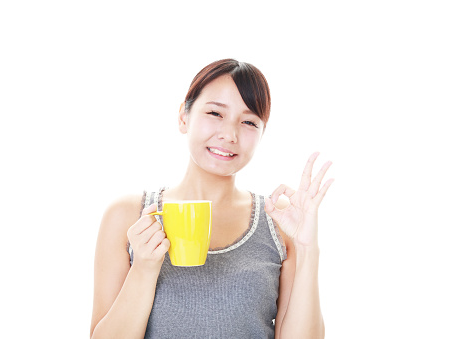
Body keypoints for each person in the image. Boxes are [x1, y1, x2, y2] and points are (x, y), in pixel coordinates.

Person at [90, 59, 334, 339]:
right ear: (184, 116)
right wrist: (144, 269)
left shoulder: (279, 220)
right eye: (216, 113)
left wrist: (306, 249)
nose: (229, 134)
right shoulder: (127, 216)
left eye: (248, 121)